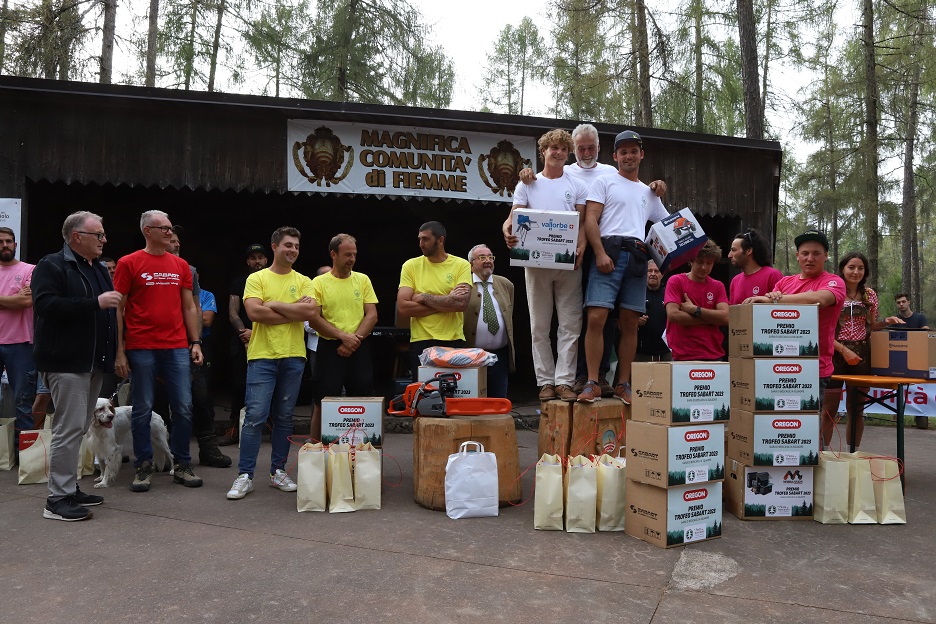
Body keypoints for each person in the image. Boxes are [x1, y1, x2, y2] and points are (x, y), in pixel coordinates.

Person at [519, 124, 667, 396]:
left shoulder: (614, 176)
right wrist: (526, 174)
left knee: (602, 319)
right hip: (587, 251)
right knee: (580, 318)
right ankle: (574, 379)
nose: (584, 152)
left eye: (590, 147)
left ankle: (598, 378)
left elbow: (663, 225)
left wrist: (658, 186)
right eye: (579, 148)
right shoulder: (565, 175)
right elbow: (587, 217)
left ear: (600, 149)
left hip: (588, 252)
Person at [32, 211, 120, 520]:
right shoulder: (51, 265)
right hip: (66, 362)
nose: (104, 240)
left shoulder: (96, 268)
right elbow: (45, 304)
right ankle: (57, 499)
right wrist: (94, 303)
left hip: (92, 362)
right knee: (68, 429)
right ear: (76, 237)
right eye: (98, 235)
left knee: (80, 427)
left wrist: (113, 354)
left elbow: (108, 317)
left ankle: (69, 489)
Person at [113, 210, 204, 492]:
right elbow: (119, 308)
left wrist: (196, 341)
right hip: (141, 346)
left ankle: (183, 465)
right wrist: (120, 350)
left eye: (170, 229)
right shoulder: (129, 263)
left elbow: (189, 306)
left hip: (176, 345)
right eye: (163, 228)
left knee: (184, 407)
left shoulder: (181, 265)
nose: (169, 233)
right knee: (142, 409)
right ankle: (143, 466)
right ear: (147, 231)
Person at [578, 130, 669, 404]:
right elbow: (591, 220)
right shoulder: (604, 182)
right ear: (615, 156)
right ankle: (592, 381)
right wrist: (600, 253)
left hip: (638, 255)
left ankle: (623, 383)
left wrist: (684, 252)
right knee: (596, 317)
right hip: (609, 252)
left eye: (634, 151)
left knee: (630, 323)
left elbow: (668, 226)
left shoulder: (649, 192)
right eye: (624, 151)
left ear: (641, 154)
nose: (629, 156)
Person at [227, 226, 314, 500]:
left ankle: (278, 472)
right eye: (288, 245)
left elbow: (310, 311)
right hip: (262, 355)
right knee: (255, 417)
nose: (293, 250)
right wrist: (292, 309)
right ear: (274, 247)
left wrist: (273, 304)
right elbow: (253, 313)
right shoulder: (256, 278)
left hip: (293, 354)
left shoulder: (305, 280)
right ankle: (245, 475)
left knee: (285, 417)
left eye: (297, 246)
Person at [503, 128, 586, 402]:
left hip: (568, 264)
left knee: (570, 325)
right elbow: (512, 219)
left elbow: (582, 223)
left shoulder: (576, 185)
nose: (559, 153)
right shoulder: (527, 183)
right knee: (539, 325)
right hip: (535, 265)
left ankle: (564, 382)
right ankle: (545, 382)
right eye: (554, 148)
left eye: (564, 149)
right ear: (543, 152)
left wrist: (580, 248)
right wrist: (507, 230)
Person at [744, 229, 846, 448]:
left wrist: (777, 300)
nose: (810, 258)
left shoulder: (834, 282)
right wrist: (771, 299)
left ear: (826, 255)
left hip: (813, 369)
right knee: (778, 428)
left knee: (806, 431)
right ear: (797, 255)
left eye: (816, 253)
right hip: (776, 365)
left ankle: (813, 475)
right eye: (805, 253)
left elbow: (819, 299)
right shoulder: (784, 283)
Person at [825, 252, 903, 447]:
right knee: (829, 410)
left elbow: (871, 326)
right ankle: (822, 457)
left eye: (860, 268)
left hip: (862, 355)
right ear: (842, 269)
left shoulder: (870, 295)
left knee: (857, 410)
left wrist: (885, 322)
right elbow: (822, 329)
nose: (856, 272)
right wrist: (843, 350)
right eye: (851, 267)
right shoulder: (832, 292)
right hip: (834, 353)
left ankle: (854, 456)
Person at [168, 228, 231, 468]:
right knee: (160, 402)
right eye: (171, 240)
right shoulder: (144, 269)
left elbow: (198, 314)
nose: (175, 245)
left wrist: (195, 342)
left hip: (189, 345)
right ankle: (162, 454)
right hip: (157, 345)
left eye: (177, 242)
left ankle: (208, 448)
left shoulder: (189, 272)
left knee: (201, 397)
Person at [309, 234, 379, 435]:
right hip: (330, 348)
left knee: (362, 399)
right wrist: (343, 337)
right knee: (322, 401)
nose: (352, 259)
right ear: (333, 254)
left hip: (359, 345)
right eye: (347, 254)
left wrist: (352, 340)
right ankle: (315, 447)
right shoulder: (319, 282)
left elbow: (372, 315)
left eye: (354, 254)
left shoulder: (363, 279)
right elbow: (314, 318)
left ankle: (362, 445)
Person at [397, 221, 472, 380]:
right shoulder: (410, 266)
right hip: (421, 341)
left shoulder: (461, 265)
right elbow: (403, 307)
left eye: (425, 239)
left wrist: (424, 297)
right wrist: (447, 302)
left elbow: (461, 304)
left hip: (453, 340)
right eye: (419, 239)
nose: (421, 244)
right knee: (424, 396)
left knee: (453, 395)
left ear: (440, 240)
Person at [219, 243, 269, 446]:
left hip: (269, 337)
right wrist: (245, 334)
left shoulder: (274, 281)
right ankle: (234, 427)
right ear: (248, 261)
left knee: (270, 382)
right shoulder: (239, 283)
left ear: (267, 260)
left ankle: (269, 423)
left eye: (260, 257)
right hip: (242, 340)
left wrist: (255, 332)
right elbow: (233, 312)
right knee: (240, 383)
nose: (257, 261)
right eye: (253, 258)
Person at [462, 244, 514, 398]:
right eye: (482, 257)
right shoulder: (463, 285)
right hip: (471, 358)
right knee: (473, 403)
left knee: (498, 402)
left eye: (490, 257)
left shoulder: (506, 285)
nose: (488, 261)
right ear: (471, 265)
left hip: (500, 357)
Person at [664, 240, 729, 361]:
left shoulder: (718, 286)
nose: (704, 267)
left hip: (714, 355)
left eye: (709, 263)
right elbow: (673, 315)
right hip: (682, 356)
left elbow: (726, 318)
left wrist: (695, 310)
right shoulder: (676, 281)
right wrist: (711, 319)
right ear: (691, 261)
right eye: (700, 262)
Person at [0, 226, 36, 436]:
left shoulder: (29, 269)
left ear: (15, 244)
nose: (4, 245)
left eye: (8, 241)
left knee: (23, 401)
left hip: (21, 344)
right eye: (0, 241)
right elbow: (19, 300)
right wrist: (13, 300)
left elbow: (26, 301)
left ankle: (24, 455)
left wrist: (19, 301)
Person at [303, 266, 331, 440]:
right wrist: (330, 328)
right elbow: (307, 325)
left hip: (339, 347)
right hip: (317, 349)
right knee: (319, 390)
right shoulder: (310, 296)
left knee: (340, 391)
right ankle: (315, 436)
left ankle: (335, 432)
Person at [728, 228, 783, 304]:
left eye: (734, 250)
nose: (729, 255)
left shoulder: (772, 275)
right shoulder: (735, 281)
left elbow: (783, 307)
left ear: (748, 251)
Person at [636, 260, 671, 362]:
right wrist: (636, 321)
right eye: (649, 271)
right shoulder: (637, 293)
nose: (653, 274)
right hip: (641, 351)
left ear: (662, 274)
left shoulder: (669, 293)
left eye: (656, 271)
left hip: (667, 351)